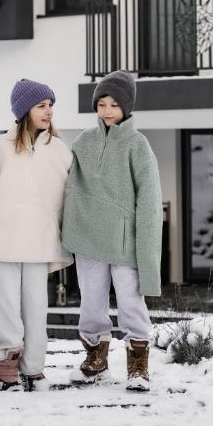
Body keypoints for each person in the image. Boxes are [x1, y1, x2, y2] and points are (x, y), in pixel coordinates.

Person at [62, 70, 163, 391]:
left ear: (127, 108)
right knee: (91, 302)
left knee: (131, 302)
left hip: (124, 243)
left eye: (114, 104)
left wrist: (145, 246)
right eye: (101, 103)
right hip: (89, 238)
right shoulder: (83, 142)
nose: (106, 110)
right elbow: (69, 187)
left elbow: (149, 199)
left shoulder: (138, 144)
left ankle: (138, 366)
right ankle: (96, 356)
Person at [0, 78, 73, 391]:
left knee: (37, 306)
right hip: (5, 240)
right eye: (41, 106)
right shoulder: (1, 146)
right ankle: (7, 364)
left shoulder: (60, 150)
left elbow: (71, 196)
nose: (48, 111)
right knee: (6, 305)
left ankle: (33, 367)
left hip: (41, 241)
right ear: (25, 110)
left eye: (50, 105)